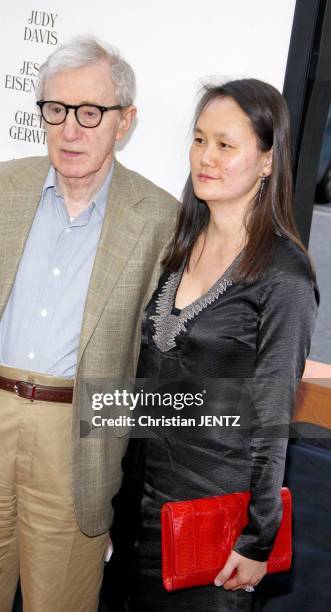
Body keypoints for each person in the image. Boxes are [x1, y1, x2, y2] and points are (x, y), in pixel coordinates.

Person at [0, 36, 177, 611]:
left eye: (91, 113)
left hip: (76, 442)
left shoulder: (159, 217)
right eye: (56, 110)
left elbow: (150, 355)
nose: (70, 129)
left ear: (125, 121)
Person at [108, 79, 319, 612]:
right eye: (200, 140)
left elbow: (272, 423)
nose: (206, 157)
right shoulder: (182, 245)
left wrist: (257, 540)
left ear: (268, 160)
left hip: (214, 531)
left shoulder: (284, 276)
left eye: (226, 144)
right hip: (138, 514)